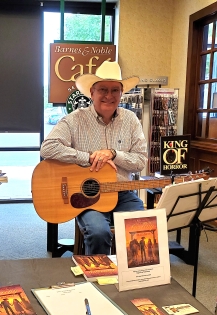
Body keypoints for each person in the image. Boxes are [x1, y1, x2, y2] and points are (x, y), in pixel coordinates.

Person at [41, 61, 147, 255]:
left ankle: (132, 278)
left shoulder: (131, 120)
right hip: (86, 195)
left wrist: (114, 153)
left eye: (115, 90)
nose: (109, 95)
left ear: (122, 93)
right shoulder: (74, 119)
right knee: (99, 232)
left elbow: (140, 162)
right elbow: (48, 148)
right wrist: (88, 157)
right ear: (92, 92)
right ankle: (98, 278)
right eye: (103, 89)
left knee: (142, 228)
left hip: (122, 193)